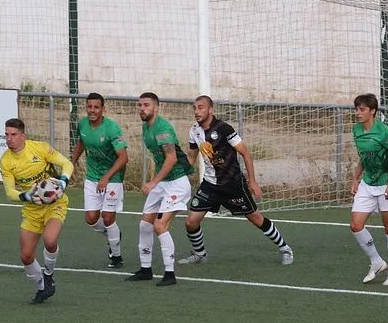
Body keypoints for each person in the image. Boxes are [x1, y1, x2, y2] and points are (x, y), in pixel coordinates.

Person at [180, 95, 294, 266]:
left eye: (201, 107)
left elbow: (245, 153)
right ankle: (200, 254)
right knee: (191, 222)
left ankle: (285, 248)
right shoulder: (194, 131)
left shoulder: (224, 129)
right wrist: (179, 173)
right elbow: (191, 157)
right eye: (195, 108)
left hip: (233, 184)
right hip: (210, 185)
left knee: (255, 218)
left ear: (211, 109)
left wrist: (253, 182)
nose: (197, 111)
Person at [0, 118, 74, 304]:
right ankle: (42, 287)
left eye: (14, 135)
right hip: (32, 210)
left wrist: (63, 182)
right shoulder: (6, 161)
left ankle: (48, 274)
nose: (9, 139)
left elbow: (67, 164)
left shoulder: (39, 148)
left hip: (54, 204)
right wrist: (27, 196)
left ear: (23, 136)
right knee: (26, 256)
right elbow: (10, 192)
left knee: (50, 241)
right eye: (7, 135)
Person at [126, 92, 194, 287]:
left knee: (159, 226)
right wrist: (156, 182)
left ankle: (170, 274)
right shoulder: (145, 127)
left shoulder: (162, 128)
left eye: (146, 105)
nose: (142, 108)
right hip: (163, 183)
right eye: (139, 105)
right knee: (145, 225)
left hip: (177, 183)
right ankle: (146, 269)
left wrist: (152, 182)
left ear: (156, 107)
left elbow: (171, 158)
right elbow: (160, 159)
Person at [349, 94, 388, 286]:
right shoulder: (356, 130)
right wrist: (355, 178)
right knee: (356, 225)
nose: (358, 113)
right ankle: (377, 261)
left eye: (362, 109)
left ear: (372, 111)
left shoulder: (384, 132)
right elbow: (364, 158)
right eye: (357, 109)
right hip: (367, 183)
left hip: (386, 184)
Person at [70, 93, 128, 268]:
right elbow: (81, 142)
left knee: (108, 218)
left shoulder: (112, 128)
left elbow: (123, 157)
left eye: (96, 107)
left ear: (103, 109)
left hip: (113, 178)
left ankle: (116, 257)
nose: (92, 110)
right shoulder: (82, 124)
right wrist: (72, 163)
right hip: (92, 178)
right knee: (91, 219)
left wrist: (106, 177)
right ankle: (114, 235)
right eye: (89, 107)